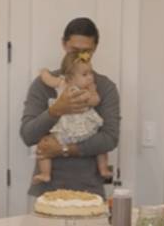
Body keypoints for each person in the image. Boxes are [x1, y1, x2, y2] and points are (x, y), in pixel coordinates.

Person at [20, 17, 120, 199]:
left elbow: (109, 139)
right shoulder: (45, 84)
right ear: (64, 45)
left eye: (87, 51)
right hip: (46, 193)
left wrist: (62, 149)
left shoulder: (104, 87)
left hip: (90, 192)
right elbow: (28, 135)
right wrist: (56, 110)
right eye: (74, 50)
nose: (80, 55)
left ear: (95, 48)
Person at [33, 50, 112, 184]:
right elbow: (48, 80)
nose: (90, 77)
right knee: (43, 145)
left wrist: (92, 92)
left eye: (91, 73)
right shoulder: (62, 83)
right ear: (69, 78)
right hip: (65, 130)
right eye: (85, 74)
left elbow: (95, 101)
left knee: (100, 146)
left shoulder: (87, 89)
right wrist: (44, 72)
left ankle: (103, 169)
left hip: (85, 128)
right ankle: (45, 174)